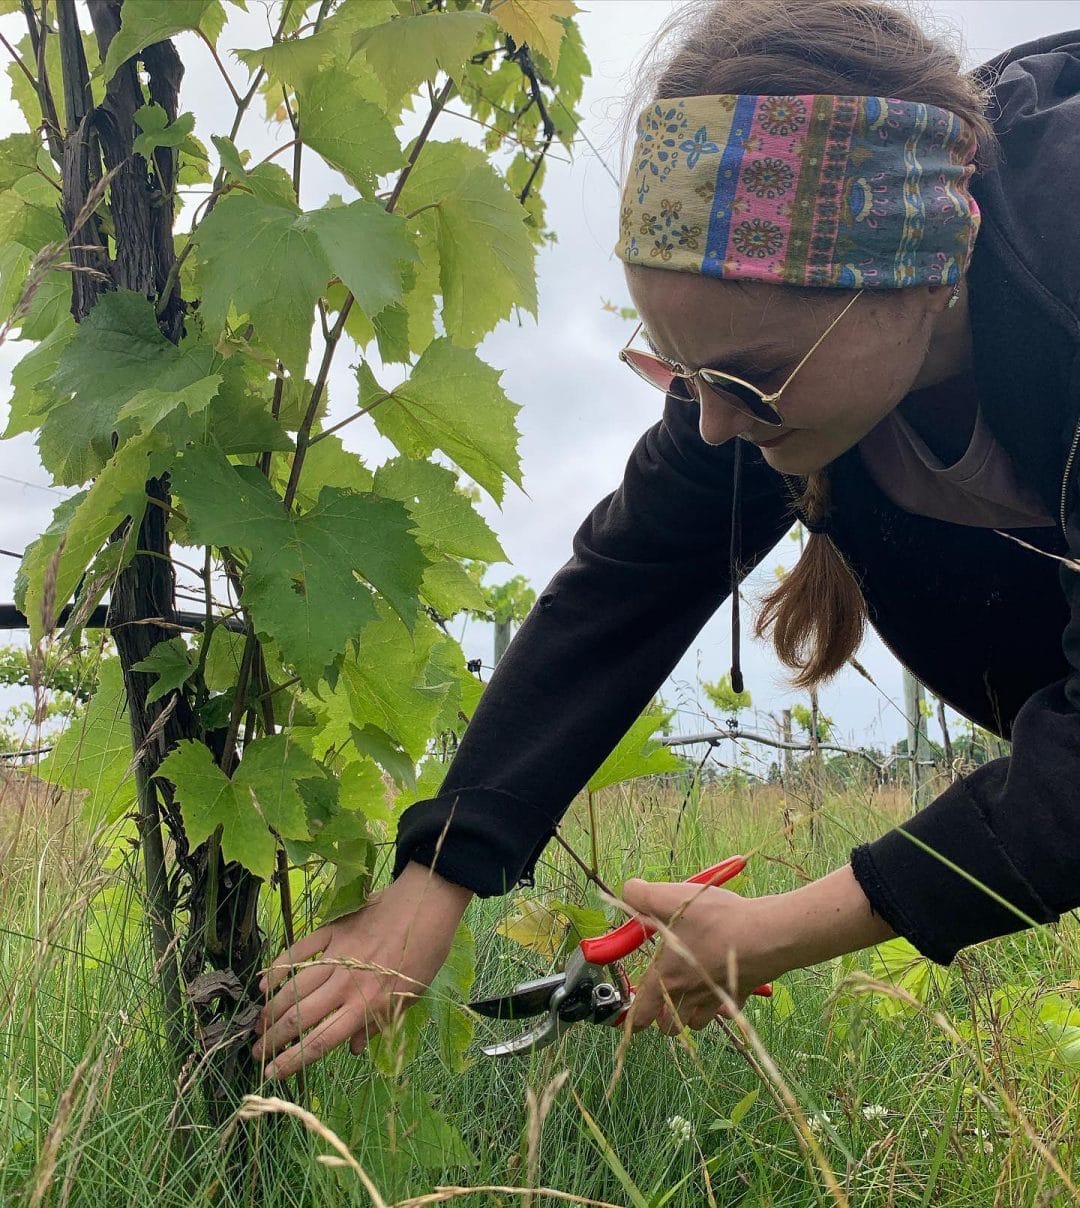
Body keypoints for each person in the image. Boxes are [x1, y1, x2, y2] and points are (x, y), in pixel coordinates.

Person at [253, 0, 1080, 1080]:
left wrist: (781, 926)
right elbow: (630, 578)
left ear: (918, 273)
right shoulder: (770, 369)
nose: (716, 427)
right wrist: (437, 871)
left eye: (748, 378)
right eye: (679, 373)